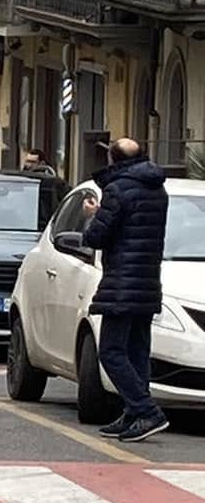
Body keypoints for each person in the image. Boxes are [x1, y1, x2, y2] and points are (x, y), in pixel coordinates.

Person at [82, 136, 170, 442]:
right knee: (137, 351)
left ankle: (147, 411)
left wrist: (93, 215)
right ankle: (133, 414)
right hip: (147, 282)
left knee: (110, 351)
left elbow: (97, 238)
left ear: (114, 161)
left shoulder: (117, 190)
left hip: (122, 283)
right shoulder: (158, 189)